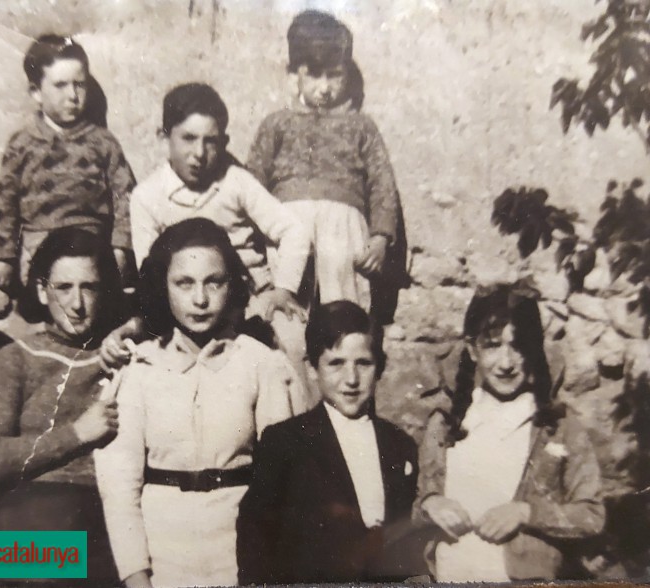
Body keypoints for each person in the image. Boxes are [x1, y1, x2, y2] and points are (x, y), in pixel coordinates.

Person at [95, 218, 307, 588]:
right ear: (164, 285)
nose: (200, 299)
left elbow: (283, 485)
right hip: (163, 554)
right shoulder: (140, 368)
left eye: (214, 281)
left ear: (231, 286)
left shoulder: (261, 363)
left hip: (241, 553)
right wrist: (136, 577)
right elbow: (119, 489)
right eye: (184, 283)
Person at [125, 82, 312, 392]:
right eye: (188, 139)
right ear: (163, 137)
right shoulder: (147, 196)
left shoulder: (235, 181)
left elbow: (294, 230)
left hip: (252, 298)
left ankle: (302, 430)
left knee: (292, 341)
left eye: (211, 142)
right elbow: (151, 271)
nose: (199, 153)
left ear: (224, 142)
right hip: (190, 305)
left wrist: (284, 289)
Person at [414, 282, 606, 581]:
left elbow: (592, 515)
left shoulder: (557, 427)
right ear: (472, 350)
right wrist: (430, 504)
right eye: (492, 345)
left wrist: (527, 513)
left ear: (534, 349)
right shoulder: (446, 424)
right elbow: (415, 504)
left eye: (518, 346)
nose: (506, 363)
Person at [237, 300, 424, 584]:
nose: (351, 379)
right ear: (313, 369)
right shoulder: (286, 442)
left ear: (380, 369)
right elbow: (256, 536)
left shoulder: (399, 445)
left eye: (363, 364)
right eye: (336, 363)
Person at [246, 10, 408, 335]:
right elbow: (252, 185)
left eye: (334, 75)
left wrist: (380, 238)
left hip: (344, 227)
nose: (325, 87)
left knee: (344, 303)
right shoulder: (276, 124)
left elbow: (381, 184)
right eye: (314, 75)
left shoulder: (361, 126)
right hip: (288, 224)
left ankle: (348, 345)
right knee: (287, 310)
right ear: (295, 75)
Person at [0, 228, 127, 586]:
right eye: (64, 288)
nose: (77, 304)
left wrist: (132, 327)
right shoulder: (15, 359)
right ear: (42, 291)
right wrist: (77, 433)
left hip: (106, 522)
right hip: (34, 520)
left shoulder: (121, 351)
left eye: (89, 287)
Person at [0, 34, 136, 294]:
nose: (72, 95)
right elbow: (6, 202)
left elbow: (124, 196)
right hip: (38, 243)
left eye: (79, 85)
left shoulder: (103, 142)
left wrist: (120, 248)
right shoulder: (22, 143)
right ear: (36, 91)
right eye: (60, 85)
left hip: (91, 243)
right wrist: (6, 259)